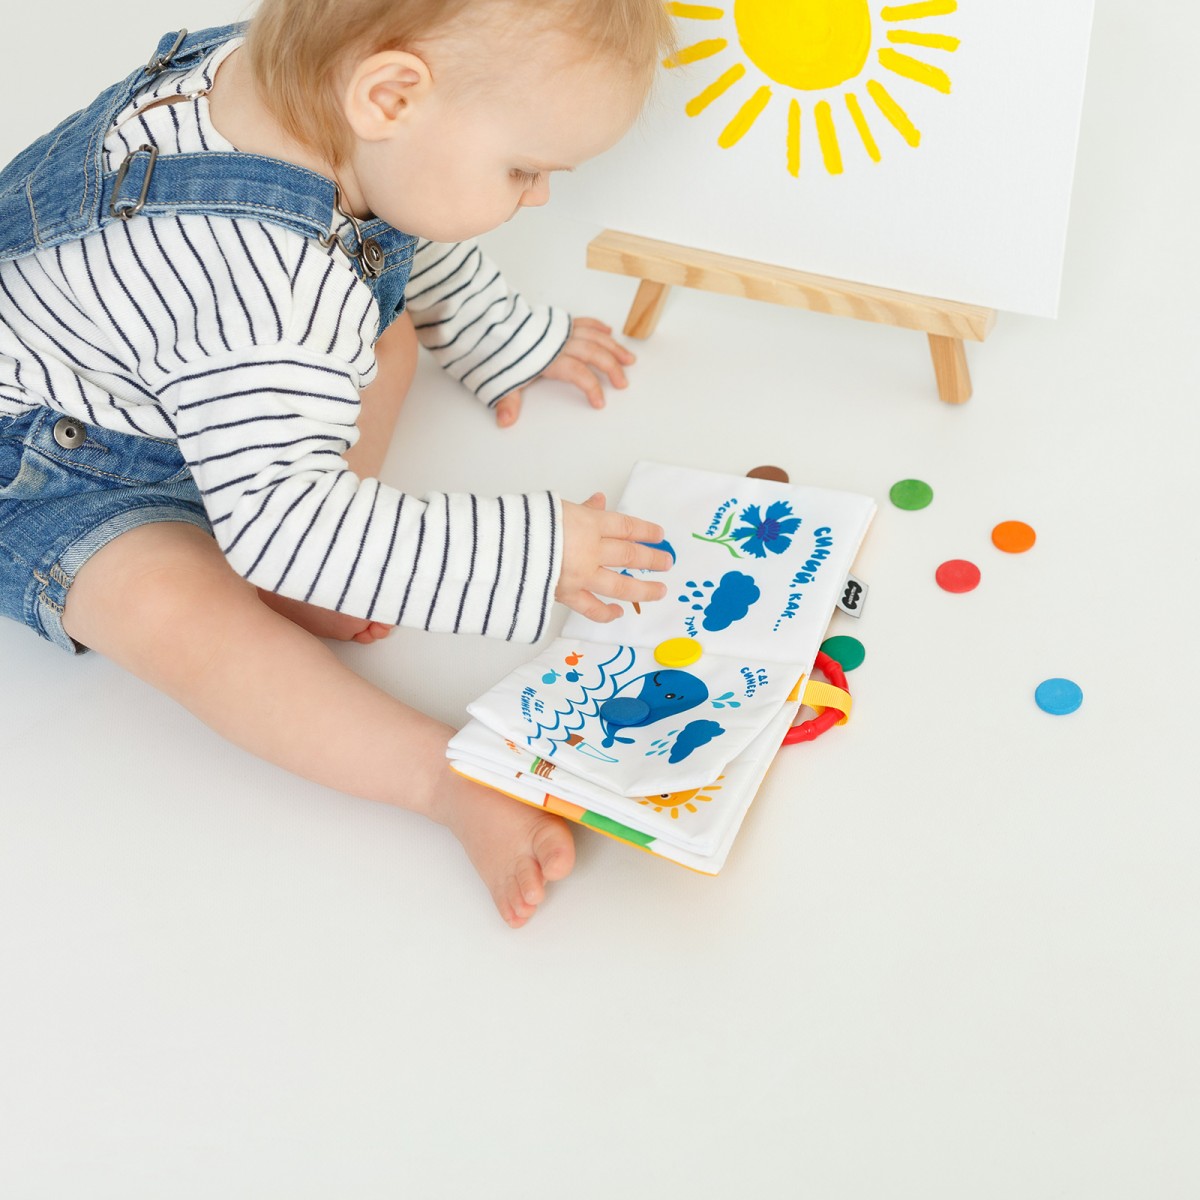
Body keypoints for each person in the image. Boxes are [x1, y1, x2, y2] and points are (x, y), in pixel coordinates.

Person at [0, 0, 677, 927]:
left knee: (379, 333)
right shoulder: (269, 291)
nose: (538, 198)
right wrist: (541, 552)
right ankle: (440, 777)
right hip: (49, 465)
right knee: (168, 608)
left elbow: (392, 222)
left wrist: (497, 333)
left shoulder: (299, 93)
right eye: (523, 169)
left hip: (205, 391)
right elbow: (346, 264)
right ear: (390, 96)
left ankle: (320, 558)